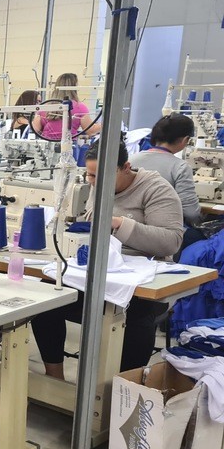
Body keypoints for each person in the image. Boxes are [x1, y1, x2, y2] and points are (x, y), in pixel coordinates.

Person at [30, 139, 183, 379]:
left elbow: (171, 241)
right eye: (89, 175)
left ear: (125, 167)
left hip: (141, 286)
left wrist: (119, 223)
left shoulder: (157, 188)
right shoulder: (96, 186)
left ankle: (122, 389)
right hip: (100, 275)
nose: (93, 182)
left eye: (99, 176)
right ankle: (54, 379)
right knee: (48, 297)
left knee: (137, 319)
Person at [130, 114, 201, 227]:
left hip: (128, 224)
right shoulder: (180, 167)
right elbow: (191, 212)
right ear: (185, 140)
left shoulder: (131, 160)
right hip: (162, 231)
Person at [31, 73, 101, 140]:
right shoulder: (79, 107)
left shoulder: (46, 106)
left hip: (46, 146)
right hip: (68, 147)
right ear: (74, 88)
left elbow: (35, 129)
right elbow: (91, 131)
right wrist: (107, 123)